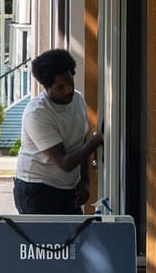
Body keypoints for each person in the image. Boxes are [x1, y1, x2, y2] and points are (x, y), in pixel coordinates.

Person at [12, 48, 104, 215]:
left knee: (74, 239)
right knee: (44, 240)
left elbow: (82, 142)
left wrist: (85, 180)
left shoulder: (78, 100)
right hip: (37, 188)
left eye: (70, 84)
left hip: (67, 187)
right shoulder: (37, 113)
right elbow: (65, 162)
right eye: (60, 87)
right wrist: (97, 140)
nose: (68, 91)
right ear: (47, 87)